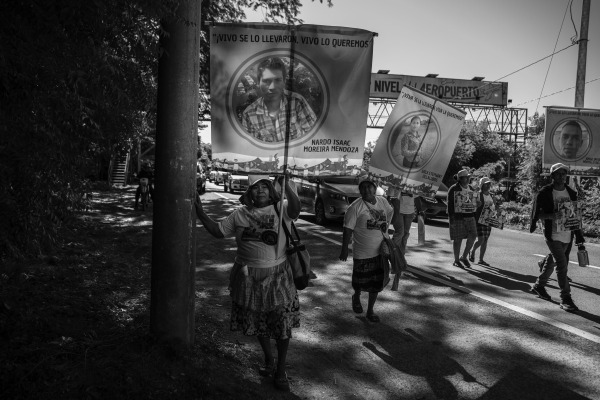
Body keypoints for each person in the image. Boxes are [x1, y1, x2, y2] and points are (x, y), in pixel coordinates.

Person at [194, 175, 301, 391]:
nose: (260, 191)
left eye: (265, 187)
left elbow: (296, 210)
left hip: (277, 276)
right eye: (255, 188)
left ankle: (281, 370)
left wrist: (287, 185)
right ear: (249, 192)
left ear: (271, 191)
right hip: (247, 277)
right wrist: (200, 212)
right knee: (258, 321)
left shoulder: (281, 208)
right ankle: (269, 361)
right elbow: (218, 231)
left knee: (281, 325)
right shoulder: (240, 214)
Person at [529, 163, 584, 311]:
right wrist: (552, 216)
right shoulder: (545, 193)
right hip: (552, 234)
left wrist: (579, 236)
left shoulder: (571, 193)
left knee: (552, 261)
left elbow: (575, 216)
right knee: (562, 264)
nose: (561, 176)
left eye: (563, 174)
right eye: (558, 174)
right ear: (552, 176)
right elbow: (537, 214)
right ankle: (565, 297)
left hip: (567, 234)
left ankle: (538, 286)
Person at [339, 180, 394, 323]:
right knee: (360, 281)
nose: (366, 191)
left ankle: (370, 311)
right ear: (360, 191)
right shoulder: (355, 207)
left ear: (375, 189)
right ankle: (356, 296)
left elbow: (389, 213)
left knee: (376, 283)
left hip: (380, 251)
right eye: (363, 188)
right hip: (362, 252)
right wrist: (344, 249)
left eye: (369, 188)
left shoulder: (382, 201)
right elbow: (347, 229)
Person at [242, 57, 317, 143]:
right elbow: (251, 150)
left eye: (278, 80)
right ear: (258, 83)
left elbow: (313, 138)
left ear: (284, 81)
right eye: (266, 81)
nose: (272, 87)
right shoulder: (249, 114)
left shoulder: (297, 102)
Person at [447, 169, 479, 268]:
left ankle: (464, 256)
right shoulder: (453, 189)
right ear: (460, 179)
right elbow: (450, 205)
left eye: (469, 177)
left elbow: (475, 203)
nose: (469, 178)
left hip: (470, 216)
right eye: (467, 177)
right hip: (458, 217)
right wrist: (451, 218)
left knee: (473, 235)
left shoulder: (471, 189)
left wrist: (478, 204)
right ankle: (456, 260)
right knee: (458, 239)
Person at [469, 177, 496, 266]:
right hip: (479, 220)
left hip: (488, 220)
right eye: (486, 184)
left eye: (489, 184)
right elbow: (472, 206)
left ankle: (481, 259)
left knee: (485, 241)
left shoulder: (492, 195)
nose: (488, 185)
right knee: (481, 240)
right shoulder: (477, 194)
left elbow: (494, 207)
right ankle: (472, 250)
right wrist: (477, 204)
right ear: (482, 185)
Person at [390, 189, 415, 256]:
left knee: (405, 234)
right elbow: (390, 195)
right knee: (400, 232)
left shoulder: (414, 183)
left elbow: (418, 196)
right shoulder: (397, 182)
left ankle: (401, 256)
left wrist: (420, 210)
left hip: (410, 211)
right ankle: (393, 255)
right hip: (398, 210)